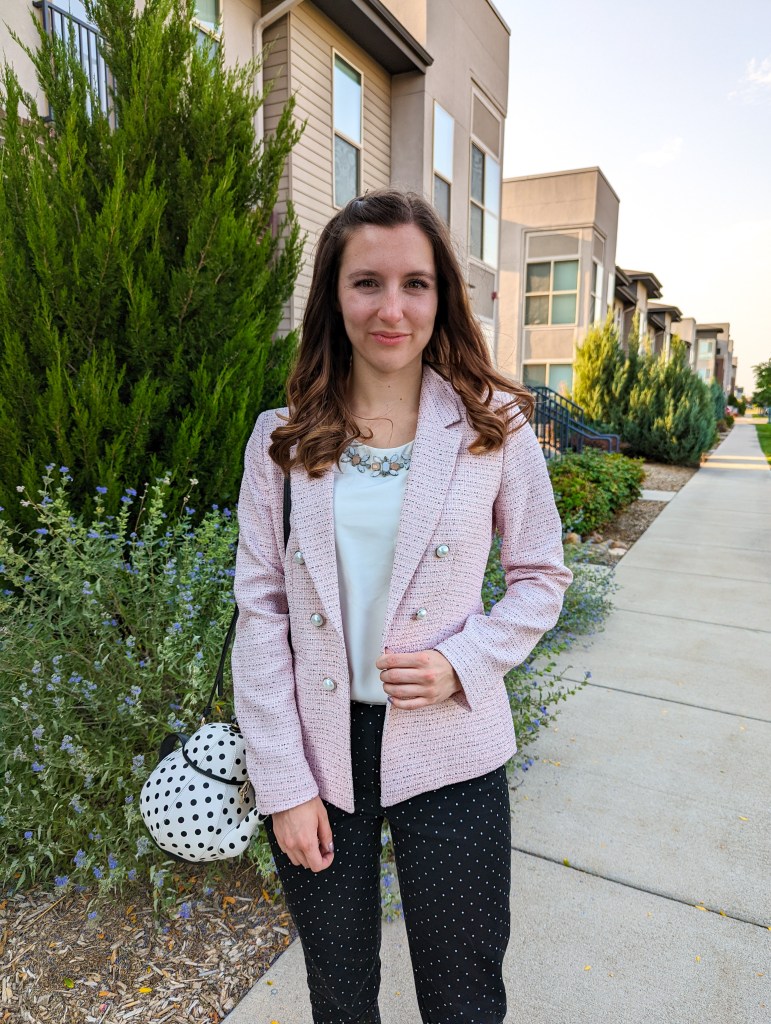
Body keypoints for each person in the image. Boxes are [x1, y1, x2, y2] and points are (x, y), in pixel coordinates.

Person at [232, 189, 572, 1024]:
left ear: (441, 297)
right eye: (366, 283)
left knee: (463, 997)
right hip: (319, 751)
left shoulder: (494, 429)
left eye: (414, 284)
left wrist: (464, 660)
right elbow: (263, 610)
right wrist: (281, 782)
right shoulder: (282, 438)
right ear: (332, 297)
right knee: (340, 997)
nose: (392, 308)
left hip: (451, 748)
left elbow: (541, 576)